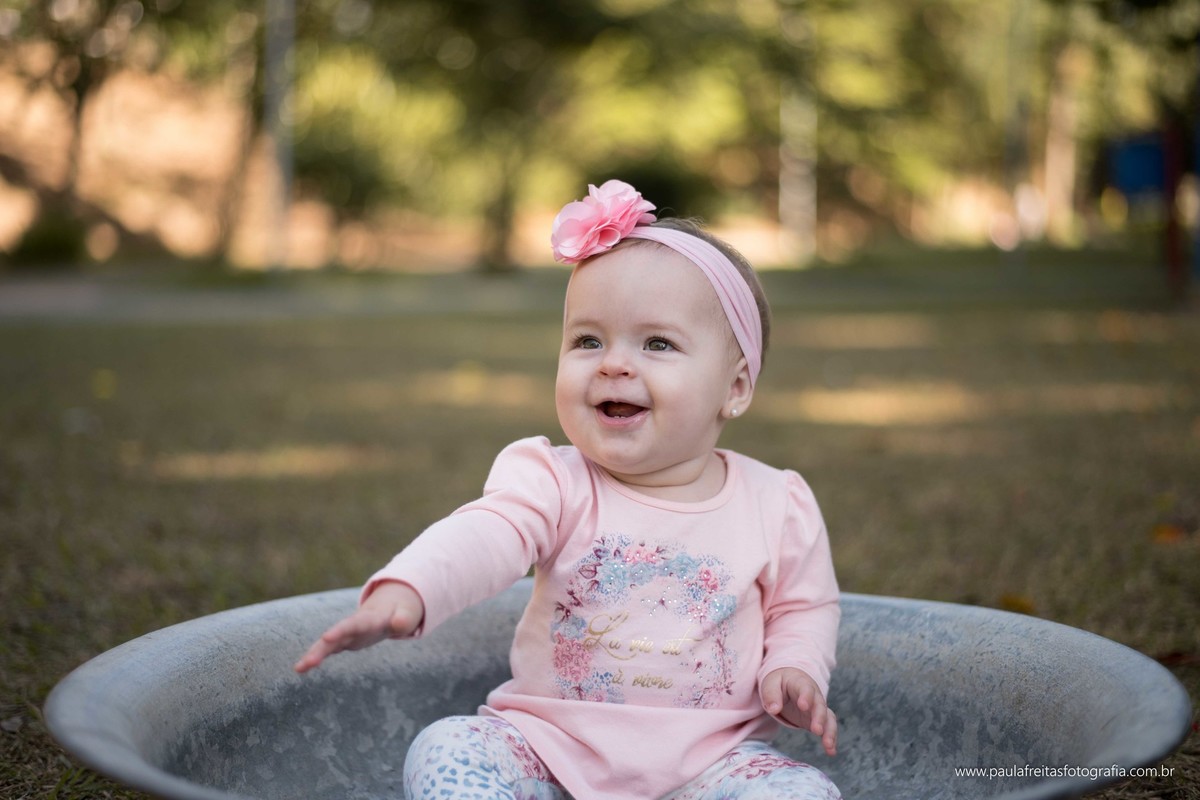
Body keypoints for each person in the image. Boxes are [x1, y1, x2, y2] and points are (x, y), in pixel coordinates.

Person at [295, 180, 842, 800]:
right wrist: (410, 588)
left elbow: (803, 608)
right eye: (588, 340)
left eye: (657, 343)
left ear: (735, 388)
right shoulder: (553, 481)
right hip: (549, 751)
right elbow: (485, 535)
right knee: (446, 747)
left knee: (801, 793)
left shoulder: (776, 503)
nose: (613, 363)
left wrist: (793, 667)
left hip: (711, 765)